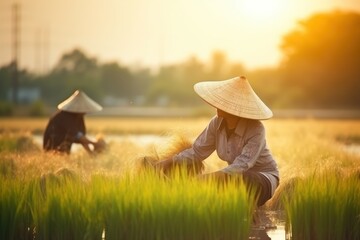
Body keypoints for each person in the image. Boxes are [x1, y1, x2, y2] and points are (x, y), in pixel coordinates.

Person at [155, 76, 279, 207]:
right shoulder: (216, 122)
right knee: (225, 184)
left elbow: (241, 166)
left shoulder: (256, 128)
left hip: (263, 179)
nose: (218, 105)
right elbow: (197, 152)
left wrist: (205, 179)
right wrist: (169, 161)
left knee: (239, 180)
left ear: (235, 108)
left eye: (225, 102)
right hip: (234, 177)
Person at [43, 90, 103, 155]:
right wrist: (95, 143)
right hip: (53, 148)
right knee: (58, 157)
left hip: (64, 149)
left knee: (65, 158)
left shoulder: (79, 117)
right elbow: (78, 136)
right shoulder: (64, 116)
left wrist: (91, 153)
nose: (85, 112)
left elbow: (82, 137)